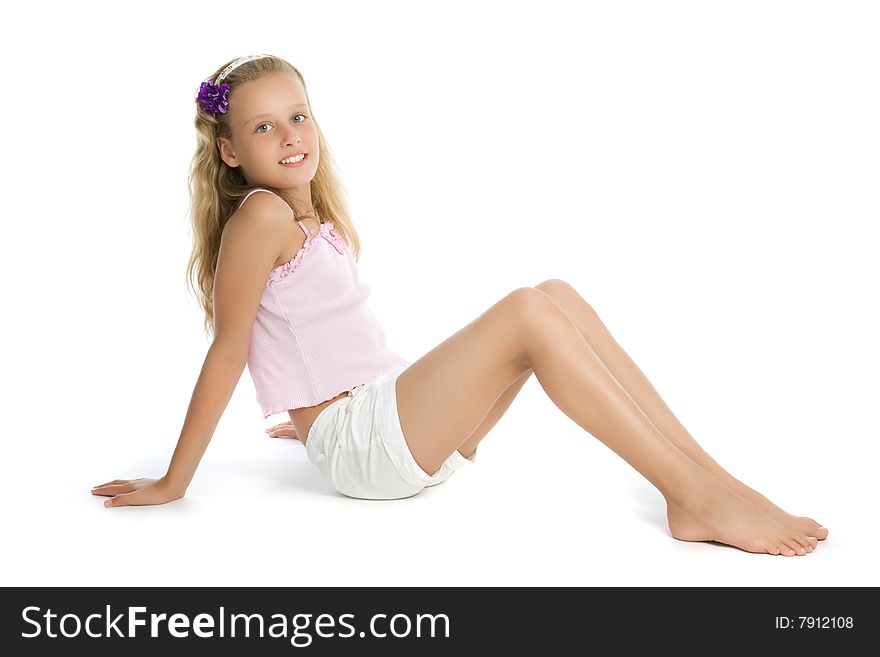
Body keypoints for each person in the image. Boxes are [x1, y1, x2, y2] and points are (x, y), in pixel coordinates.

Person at [91, 54, 827, 557]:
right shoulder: (261, 217)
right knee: (527, 312)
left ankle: (711, 479)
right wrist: (175, 479)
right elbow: (229, 348)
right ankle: (692, 495)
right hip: (369, 448)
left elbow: (307, 331)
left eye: (299, 116)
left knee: (555, 294)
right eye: (263, 127)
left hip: (387, 421)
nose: (290, 137)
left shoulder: (313, 214)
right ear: (228, 151)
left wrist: (306, 412)